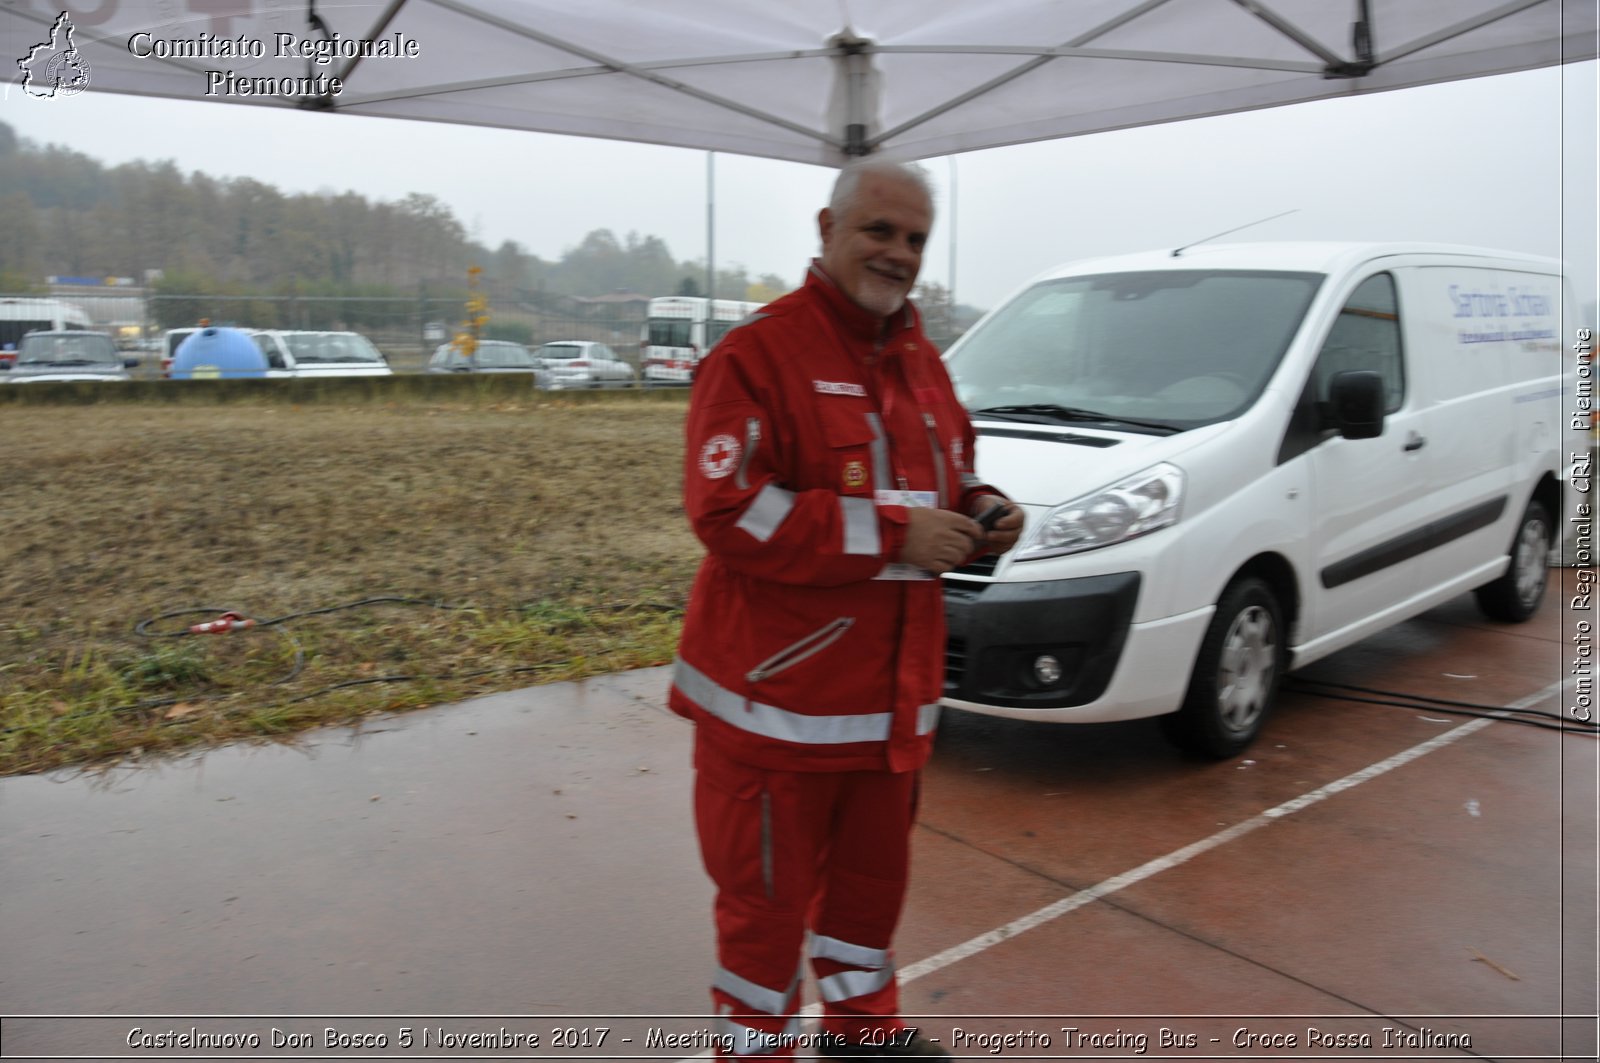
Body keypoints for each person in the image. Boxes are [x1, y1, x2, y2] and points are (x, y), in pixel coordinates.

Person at [668, 156, 1024, 1060]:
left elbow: (948, 470)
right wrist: (897, 533)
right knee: (764, 920)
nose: (898, 253)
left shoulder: (924, 363)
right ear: (827, 232)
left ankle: (865, 1037)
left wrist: (983, 507)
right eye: (880, 230)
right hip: (777, 715)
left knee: (869, 902)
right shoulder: (755, 355)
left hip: (889, 713)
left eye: (914, 239)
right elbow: (729, 508)